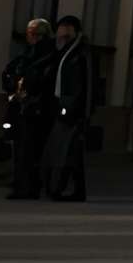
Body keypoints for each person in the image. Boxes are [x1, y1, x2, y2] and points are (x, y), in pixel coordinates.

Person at [41, 16, 94, 201]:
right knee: (71, 152)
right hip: (63, 106)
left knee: (66, 149)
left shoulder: (81, 52)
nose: (61, 32)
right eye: (61, 28)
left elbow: (86, 84)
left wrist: (83, 113)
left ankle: (59, 188)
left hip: (72, 110)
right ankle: (75, 190)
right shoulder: (63, 51)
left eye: (65, 28)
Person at [1, 18, 55, 197]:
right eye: (29, 33)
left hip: (36, 108)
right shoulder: (27, 54)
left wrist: (30, 91)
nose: (31, 37)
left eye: (35, 34)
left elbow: (43, 80)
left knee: (30, 149)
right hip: (21, 106)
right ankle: (21, 183)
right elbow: (10, 71)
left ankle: (29, 185)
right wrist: (12, 84)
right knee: (20, 148)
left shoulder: (47, 55)